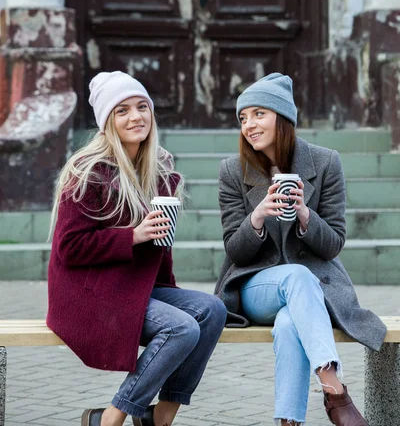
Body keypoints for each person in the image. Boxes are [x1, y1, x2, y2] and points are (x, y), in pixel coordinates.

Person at [47, 71, 227, 426]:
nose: (135, 117)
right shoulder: (88, 172)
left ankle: (160, 417)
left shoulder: (158, 169)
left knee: (211, 310)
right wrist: (133, 236)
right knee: (181, 328)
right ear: (107, 122)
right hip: (90, 292)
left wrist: (168, 288)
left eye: (142, 107)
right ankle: (111, 418)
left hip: (133, 285)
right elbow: (69, 248)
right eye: (122, 110)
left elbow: (161, 245)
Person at [214, 73, 386, 426]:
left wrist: (305, 214)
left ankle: (288, 422)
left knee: (291, 324)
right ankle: (335, 390)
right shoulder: (233, 170)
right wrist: (258, 216)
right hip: (254, 286)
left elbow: (334, 242)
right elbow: (235, 249)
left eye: (259, 114)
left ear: (283, 117)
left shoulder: (325, 162)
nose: (249, 125)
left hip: (311, 291)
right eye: (243, 118)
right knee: (295, 275)